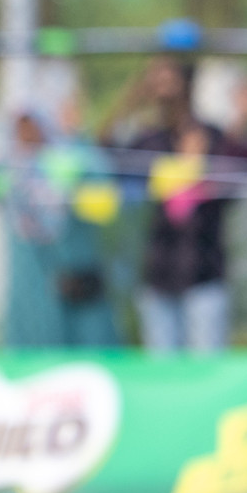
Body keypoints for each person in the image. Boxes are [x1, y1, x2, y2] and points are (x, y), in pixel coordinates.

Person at [0, 98, 120, 349]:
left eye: (33, 125)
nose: (27, 134)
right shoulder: (7, 174)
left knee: (89, 359)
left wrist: (77, 139)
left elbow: (105, 189)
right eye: (20, 127)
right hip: (30, 289)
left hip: (76, 284)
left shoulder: (71, 164)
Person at [97, 56, 233, 354]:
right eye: (156, 81)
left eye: (168, 80)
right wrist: (131, 100)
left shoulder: (211, 136)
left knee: (206, 372)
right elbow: (106, 151)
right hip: (159, 273)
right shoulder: (151, 139)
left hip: (204, 271)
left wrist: (197, 169)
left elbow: (236, 184)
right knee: (163, 373)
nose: (163, 89)